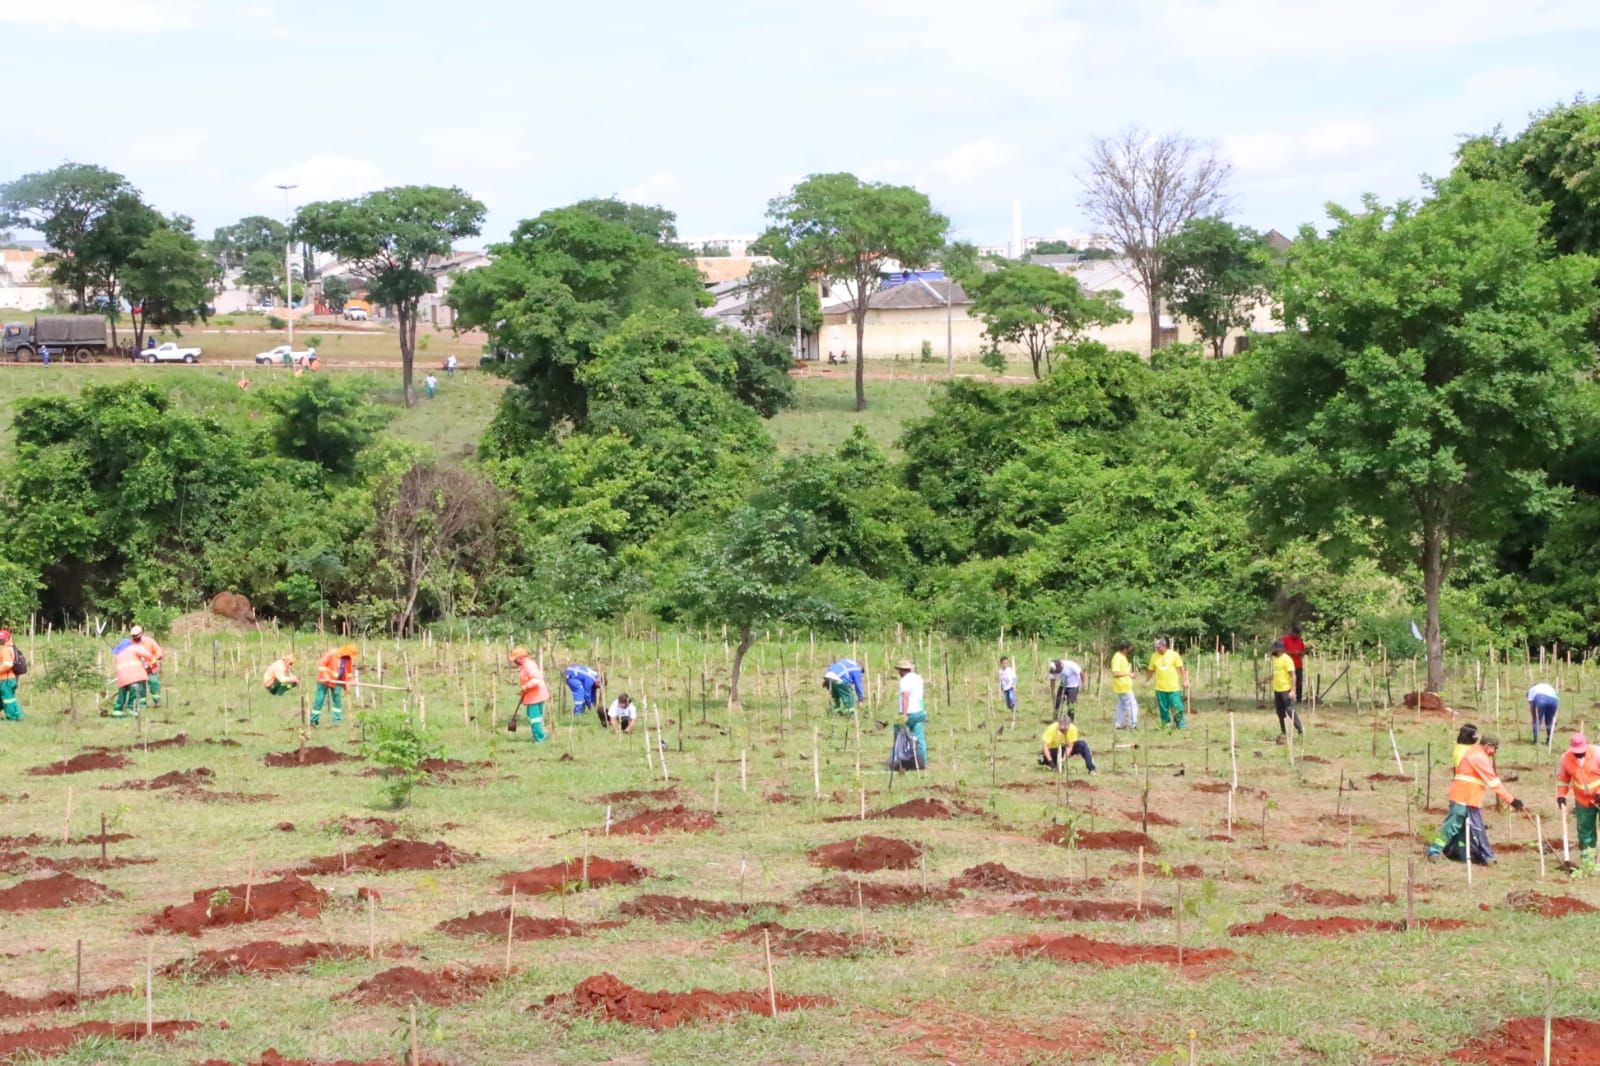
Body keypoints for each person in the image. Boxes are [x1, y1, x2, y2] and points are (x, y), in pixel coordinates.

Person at [1428, 733, 1522, 863]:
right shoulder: (1479, 757)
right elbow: (1493, 782)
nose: (1494, 753)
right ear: (1488, 746)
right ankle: (1434, 851)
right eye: (1495, 748)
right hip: (1462, 797)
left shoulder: (1474, 754)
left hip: (1469, 799)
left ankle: (1462, 855)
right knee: (1451, 826)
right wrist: (1511, 800)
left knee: (1464, 830)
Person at [1556, 732, 1599, 865]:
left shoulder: (1597, 753)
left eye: (1581, 752)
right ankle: (1588, 862)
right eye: (1576, 752)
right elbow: (1563, 779)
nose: (1579, 754)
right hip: (1583, 801)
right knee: (1585, 831)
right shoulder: (1566, 759)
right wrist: (1561, 795)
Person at [1145, 638, 1188, 729]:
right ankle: (1166, 725)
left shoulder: (1174, 655)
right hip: (1160, 688)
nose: (1157, 649)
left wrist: (1185, 681)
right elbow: (1150, 670)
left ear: (1165, 646)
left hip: (1173, 688)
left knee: (1177, 707)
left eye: (1159, 647)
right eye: (1156, 648)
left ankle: (1180, 724)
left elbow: (1181, 668)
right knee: (1163, 709)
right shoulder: (1154, 656)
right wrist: (1147, 681)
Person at [510, 646, 550, 742]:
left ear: (520, 658)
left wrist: (526, 686)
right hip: (534, 695)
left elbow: (537, 679)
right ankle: (537, 736)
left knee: (534, 719)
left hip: (535, 696)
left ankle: (540, 738)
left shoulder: (529, 666)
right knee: (535, 718)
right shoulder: (525, 665)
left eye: (515, 659)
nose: (514, 662)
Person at [312, 644, 358, 725]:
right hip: (324, 680)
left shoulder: (349, 659)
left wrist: (351, 681)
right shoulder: (332, 653)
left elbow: (348, 673)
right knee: (319, 699)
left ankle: (337, 720)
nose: (349, 658)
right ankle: (313, 720)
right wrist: (326, 676)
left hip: (337, 681)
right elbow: (321, 664)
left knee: (337, 699)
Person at [896, 659, 927, 769]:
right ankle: (922, 763)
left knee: (900, 735)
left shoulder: (904, 680)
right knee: (919, 738)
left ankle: (900, 761)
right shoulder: (918, 678)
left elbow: (905, 697)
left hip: (909, 712)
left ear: (901, 670)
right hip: (920, 711)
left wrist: (903, 715)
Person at [1270, 639, 1302, 738]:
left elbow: (1293, 676)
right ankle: (1283, 731)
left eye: (1275, 650)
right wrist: (1264, 680)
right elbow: (1276, 674)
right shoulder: (1276, 659)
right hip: (1277, 689)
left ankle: (1300, 728)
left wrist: (1293, 690)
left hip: (1286, 689)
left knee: (1289, 710)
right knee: (1279, 711)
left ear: (1280, 650)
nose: (1274, 651)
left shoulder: (1287, 659)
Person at [128, 625, 164, 708]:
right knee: (140, 687)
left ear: (141, 633)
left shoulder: (149, 641)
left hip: (151, 667)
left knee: (153, 682)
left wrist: (156, 657)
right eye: (133, 636)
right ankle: (142, 704)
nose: (135, 637)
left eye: (136, 635)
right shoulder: (130, 644)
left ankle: (157, 701)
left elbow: (158, 651)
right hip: (139, 668)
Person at [111, 639, 149, 718]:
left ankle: (117, 711)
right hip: (133, 676)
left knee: (121, 695)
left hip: (122, 677)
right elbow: (147, 654)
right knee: (133, 694)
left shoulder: (119, 654)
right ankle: (132, 710)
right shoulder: (133, 648)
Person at [1111, 640, 1138, 729]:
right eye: (1129, 649)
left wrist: (1130, 674)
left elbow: (1123, 671)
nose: (1130, 651)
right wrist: (1128, 674)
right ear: (1125, 649)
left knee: (1121, 706)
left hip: (1123, 685)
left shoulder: (1122, 657)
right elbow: (1115, 673)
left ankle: (1119, 724)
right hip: (1123, 686)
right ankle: (1132, 725)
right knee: (1132, 705)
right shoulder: (1118, 658)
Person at [1048, 656, 1085, 721]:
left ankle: (1070, 721)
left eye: (1058, 670)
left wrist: (1083, 684)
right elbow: (1052, 681)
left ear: (1061, 665)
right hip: (1063, 685)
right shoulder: (1053, 669)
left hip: (1073, 686)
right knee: (1058, 702)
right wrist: (1053, 692)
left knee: (1070, 704)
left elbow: (1081, 673)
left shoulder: (1070, 665)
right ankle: (1056, 719)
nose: (1057, 672)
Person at [0, 629, 22, 721]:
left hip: (6, 679)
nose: (1, 640)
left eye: (2, 639)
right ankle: (18, 715)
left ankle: (12, 717)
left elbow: (8, 665)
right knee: (11, 698)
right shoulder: (12, 648)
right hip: (11, 678)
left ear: (7, 638)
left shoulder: (6, 650)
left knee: (8, 699)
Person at [1528, 681, 1559, 746]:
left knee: (1537, 721)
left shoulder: (1531, 690)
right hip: (1554, 700)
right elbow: (1557, 698)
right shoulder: (1549, 687)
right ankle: (1549, 741)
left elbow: (1531, 704)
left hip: (1541, 698)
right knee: (1549, 722)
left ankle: (1535, 741)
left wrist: (1533, 717)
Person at [1281, 626, 1307, 702]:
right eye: (1294, 634)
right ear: (1291, 633)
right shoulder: (1285, 639)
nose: (1296, 636)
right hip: (1287, 665)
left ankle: (1299, 698)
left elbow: (1303, 651)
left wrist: (1299, 652)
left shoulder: (1300, 641)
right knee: (1288, 681)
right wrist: (1292, 652)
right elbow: (1281, 650)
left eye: (1297, 635)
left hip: (1298, 665)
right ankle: (1287, 697)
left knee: (1299, 682)